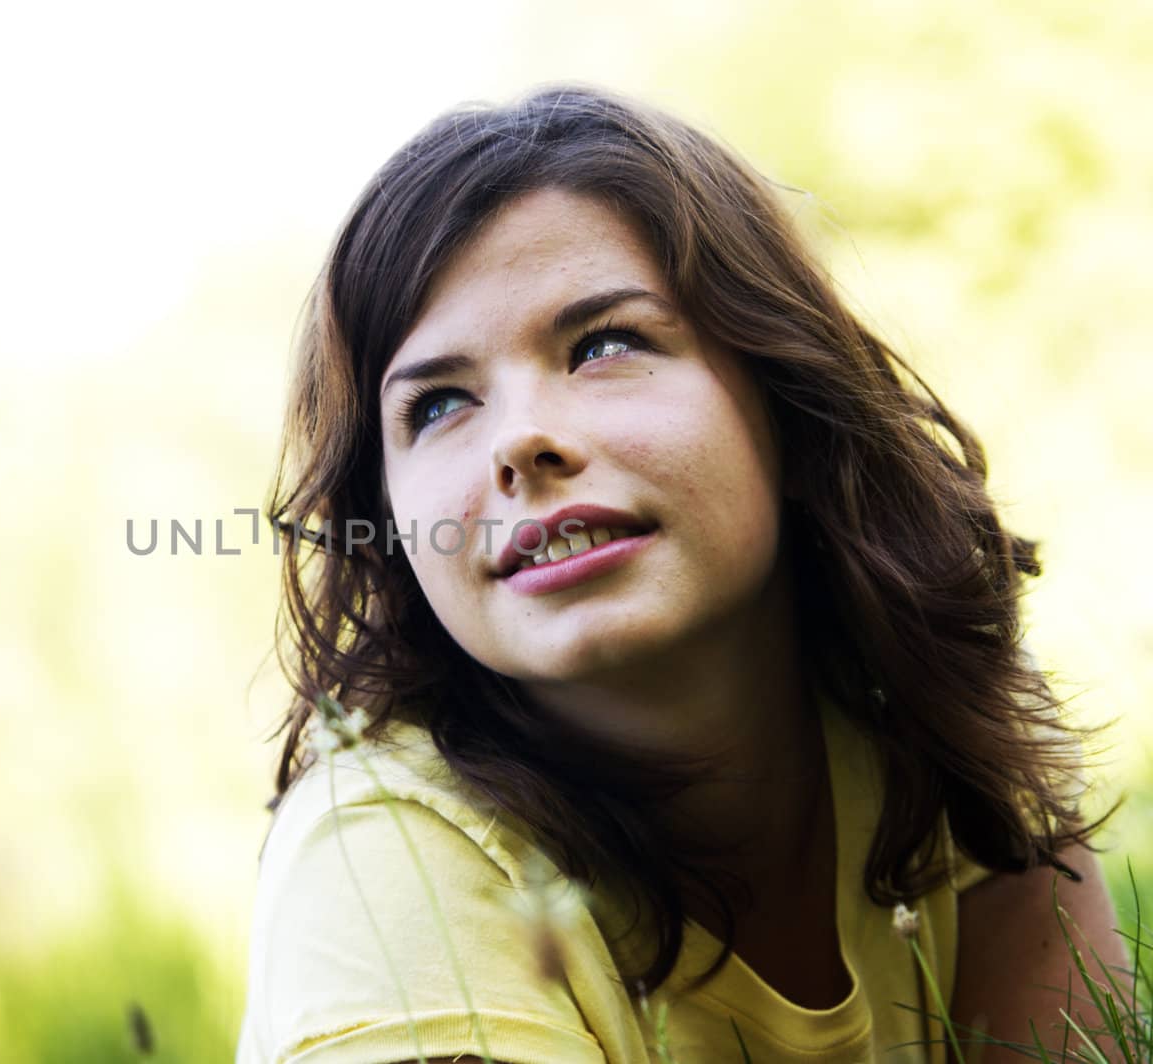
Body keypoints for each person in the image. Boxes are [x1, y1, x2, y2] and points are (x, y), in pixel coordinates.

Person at [235, 84, 1129, 1063]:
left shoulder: (936, 717)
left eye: (604, 343)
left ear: (788, 404)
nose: (521, 438)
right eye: (439, 403)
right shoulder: (381, 865)